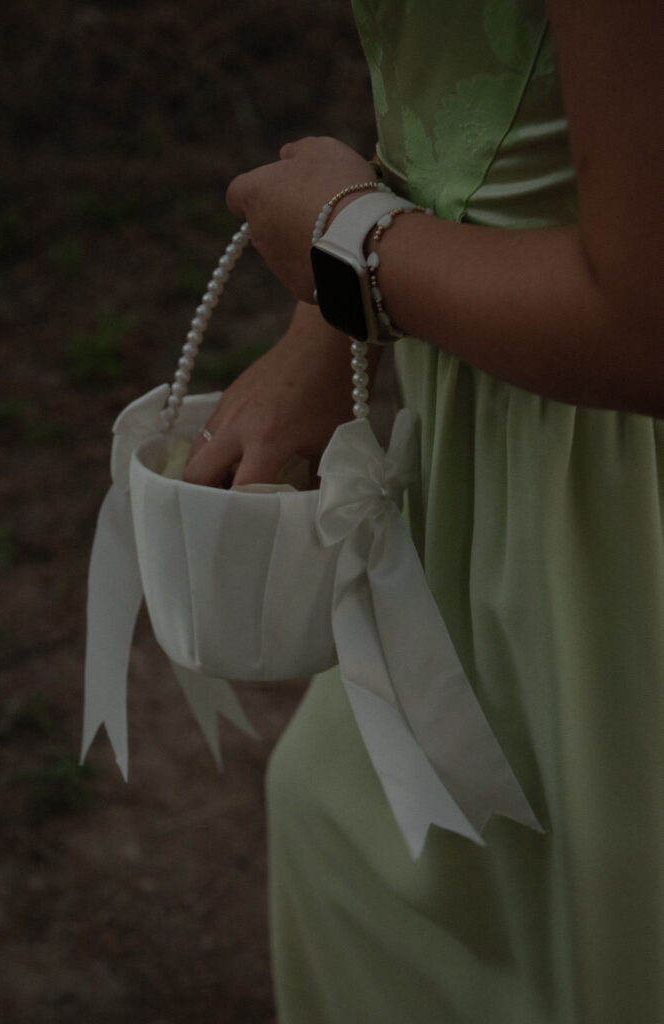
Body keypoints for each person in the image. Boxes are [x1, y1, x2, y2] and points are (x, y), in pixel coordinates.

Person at [184, 1, 664, 1021]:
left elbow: (646, 325)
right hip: (488, 443)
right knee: (350, 841)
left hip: (622, 515)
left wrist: (354, 247)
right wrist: (330, 321)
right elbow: (485, 108)